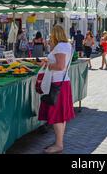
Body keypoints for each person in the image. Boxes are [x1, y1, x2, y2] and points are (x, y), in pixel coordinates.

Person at [37, 25, 75, 154]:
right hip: (62, 83)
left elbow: (60, 66)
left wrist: (46, 64)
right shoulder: (66, 45)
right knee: (60, 115)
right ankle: (59, 142)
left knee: (57, 115)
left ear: (54, 34)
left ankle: (59, 144)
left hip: (58, 83)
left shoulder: (60, 46)